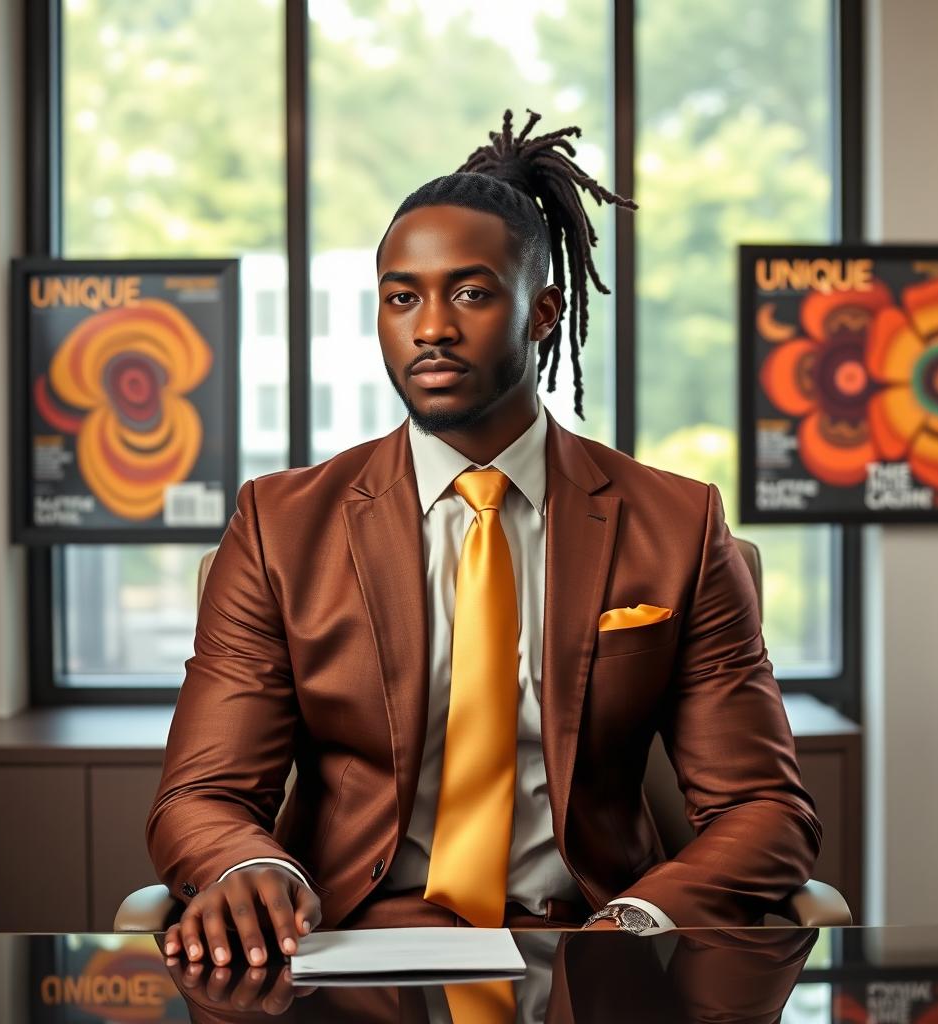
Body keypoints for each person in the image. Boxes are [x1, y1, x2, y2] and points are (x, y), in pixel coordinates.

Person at [147, 108, 822, 970]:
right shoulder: (281, 526)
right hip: (351, 946)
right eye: (402, 297)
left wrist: (639, 922)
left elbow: (766, 809)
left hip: (589, 941)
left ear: (543, 313)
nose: (430, 326)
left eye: (469, 293)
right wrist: (246, 862)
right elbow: (200, 795)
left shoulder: (677, 525)